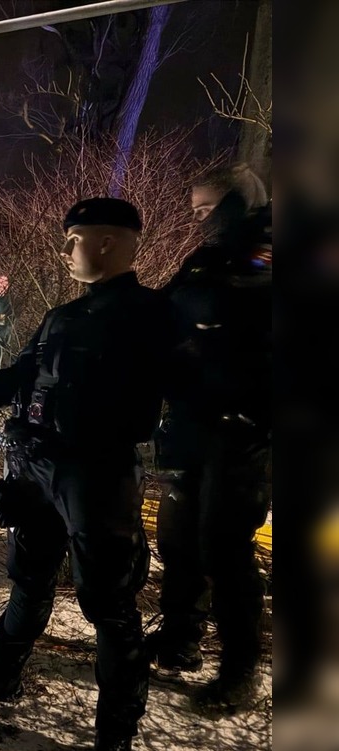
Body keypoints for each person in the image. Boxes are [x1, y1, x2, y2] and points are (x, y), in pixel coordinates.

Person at [0, 199, 168, 751]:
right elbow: (22, 375)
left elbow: (196, 388)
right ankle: (3, 675)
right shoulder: (62, 316)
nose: (65, 251)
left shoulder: (153, 314)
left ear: (108, 243)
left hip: (98, 474)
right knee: (28, 575)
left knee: (109, 604)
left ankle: (113, 742)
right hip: (34, 465)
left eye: (73, 239)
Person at [148, 164, 273, 714]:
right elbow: (163, 313)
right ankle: (180, 637)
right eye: (194, 211)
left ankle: (240, 667)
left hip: (243, 435)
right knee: (177, 539)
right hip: (191, 424)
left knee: (225, 550)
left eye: (205, 210)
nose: (198, 220)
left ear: (235, 203)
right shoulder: (202, 260)